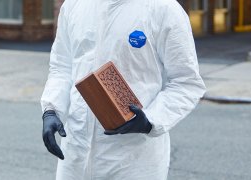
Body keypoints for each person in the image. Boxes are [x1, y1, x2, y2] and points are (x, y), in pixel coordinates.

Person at [40, 0, 206, 179]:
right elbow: (62, 67)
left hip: (133, 160)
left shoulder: (163, 8)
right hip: (75, 154)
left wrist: (151, 120)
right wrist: (51, 109)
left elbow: (186, 82)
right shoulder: (75, 5)